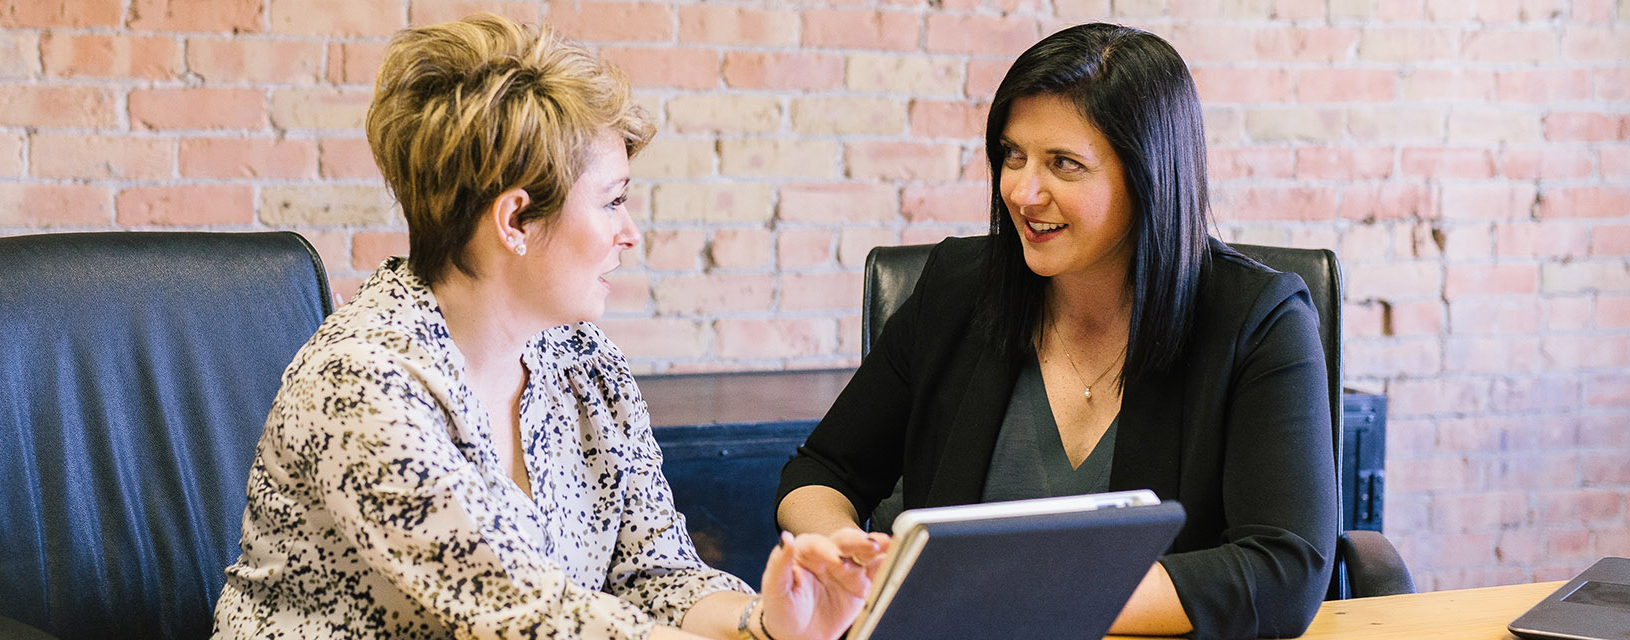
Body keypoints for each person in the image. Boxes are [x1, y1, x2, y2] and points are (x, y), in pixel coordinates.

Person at [211, 13, 886, 640]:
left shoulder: (588, 365)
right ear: (514, 221)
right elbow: (527, 617)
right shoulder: (362, 383)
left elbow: (655, 578)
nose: (630, 233)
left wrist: (765, 622)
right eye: (613, 201)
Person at [773, 22, 1337, 640]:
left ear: (1148, 175)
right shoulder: (958, 288)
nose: (1022, 190)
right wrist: (847, 553)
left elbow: (1286, 569)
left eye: (1064, 164)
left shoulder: (1259, 318)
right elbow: (821, 471)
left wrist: (1019, 599)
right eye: (1013, 155)